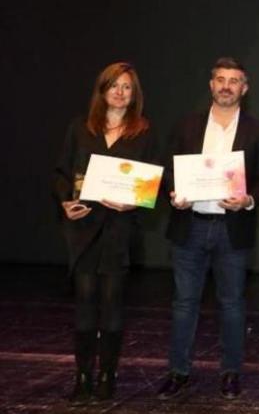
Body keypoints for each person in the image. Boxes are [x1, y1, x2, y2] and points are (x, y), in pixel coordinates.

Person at [157, 57, 259, 400]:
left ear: (244, 88)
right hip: (189, 225)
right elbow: (169, 169)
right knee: (183, 303)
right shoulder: (186, 125)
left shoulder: (258, 129)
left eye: (234, 80)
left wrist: (249, 199)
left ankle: (231, 373)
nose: (226, 86)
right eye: (221, 79)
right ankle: (178, 371)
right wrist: (173, 194)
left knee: (233, 304)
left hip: (232, 228)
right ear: (211, 85)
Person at [53, 62, 157, 404]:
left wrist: (136, 203)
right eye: (114, 85)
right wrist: (65, 203)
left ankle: (107, 375)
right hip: (83, 227)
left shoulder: (144, 132)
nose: (120, 92)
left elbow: (156, 179)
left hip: (120, 229)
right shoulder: (79, 128)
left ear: (134, 94)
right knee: (84, 300)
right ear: (102, 90)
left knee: (112, 302)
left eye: (127, 87)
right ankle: (82, 375)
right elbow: (61, 173)